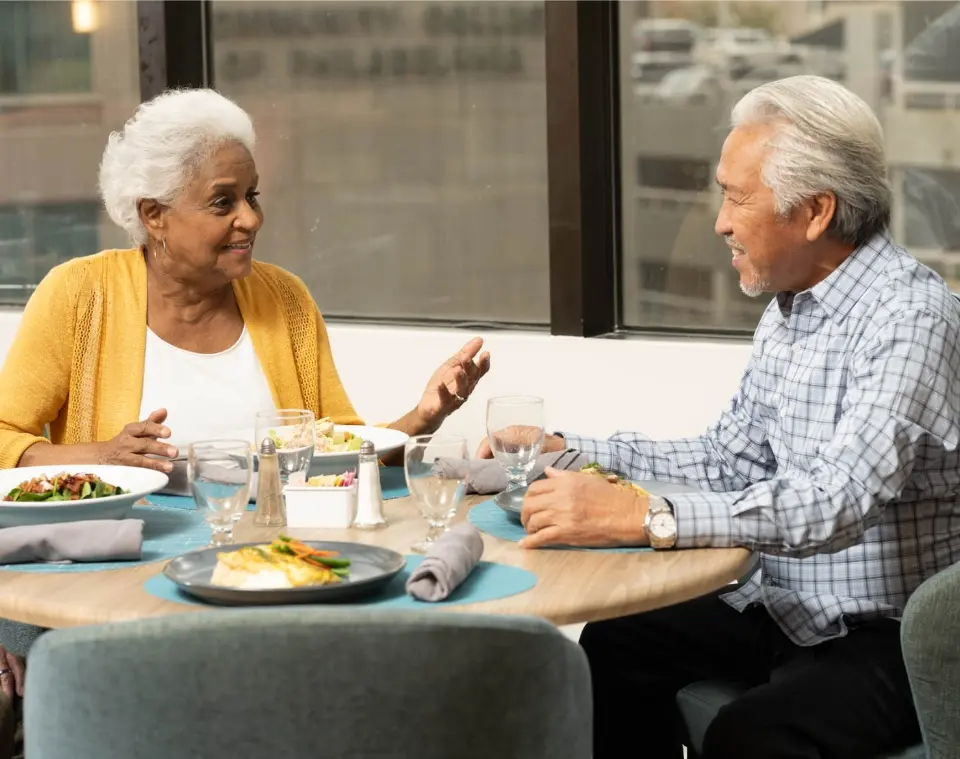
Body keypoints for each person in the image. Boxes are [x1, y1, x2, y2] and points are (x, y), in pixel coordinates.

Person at [480, 75, 960, 758]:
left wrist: (645, 517)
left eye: (736, 197)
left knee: (747, 735)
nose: (720, 221)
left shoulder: (911, 318)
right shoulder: (792, 309)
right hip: (786, 607)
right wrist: (567, 447)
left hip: (888, 636)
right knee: (614, 642)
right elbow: (727, 458)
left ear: (816, 210)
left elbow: (838, 500)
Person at [0, 88, 490, 471]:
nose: (251, 219)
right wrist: (102, 456)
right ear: (153, 214)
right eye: (223, 202)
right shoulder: (80, 296)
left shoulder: (285, 299)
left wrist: (424, 416)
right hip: (122, 557)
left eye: (251, 196)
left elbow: (342, 455)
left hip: (277, 557)